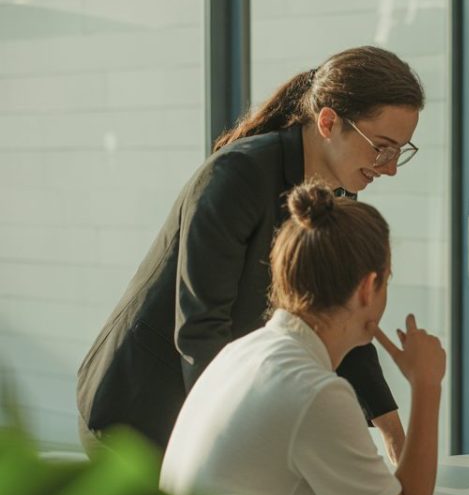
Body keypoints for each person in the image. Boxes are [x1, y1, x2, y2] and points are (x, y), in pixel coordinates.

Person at [160, 182, 458, 495]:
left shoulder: (246, 352)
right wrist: (427, 386)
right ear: (368, 288)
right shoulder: (315, 390)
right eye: (386, 281)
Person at [77, 46, 423, 455]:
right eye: (381, 147)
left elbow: (343, 313)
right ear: (328, 122)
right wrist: (232, 443)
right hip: (140, 412)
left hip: (214, 407)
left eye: (400, 151)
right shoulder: (237, 174)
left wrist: (394, 436)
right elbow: (201, 327)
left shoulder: (340, 195)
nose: (390, 166)